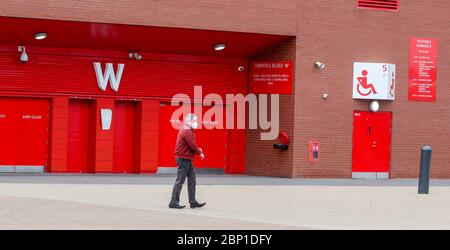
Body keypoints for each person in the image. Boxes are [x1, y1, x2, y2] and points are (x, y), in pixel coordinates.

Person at [169, 113, 206, 209]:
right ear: (189, 121)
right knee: (180, 181)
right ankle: (173, 202)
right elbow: (192, 145)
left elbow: (192, 145)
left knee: (192, 180)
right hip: (183, 159)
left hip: (187, 159)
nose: (196, 123)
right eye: (195, 121)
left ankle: (192, 201)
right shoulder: (186, 130)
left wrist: (198, 151)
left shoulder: (188, 129)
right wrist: (199, 152)